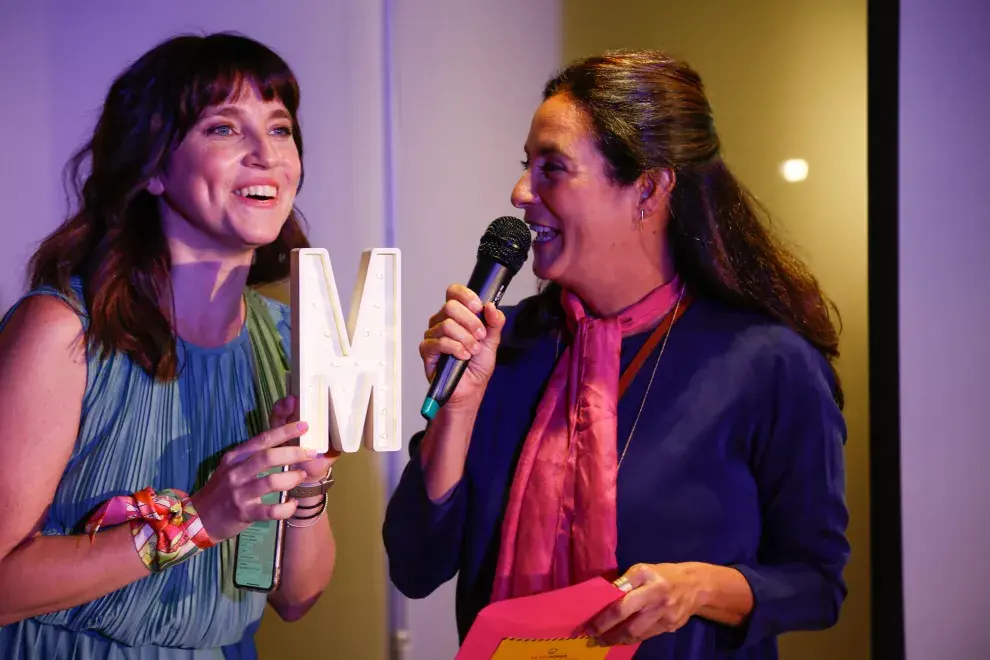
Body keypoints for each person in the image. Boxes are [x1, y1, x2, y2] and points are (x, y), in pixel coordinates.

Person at [383, 49, 850, 659]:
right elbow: (416, 567)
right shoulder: (507, 345)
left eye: (553, 168)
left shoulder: (766, 361)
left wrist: (700, 587)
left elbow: (816, 584)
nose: (521, 192)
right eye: (528, 166)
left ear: (649, 189)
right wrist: (458, 410)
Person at [0, 33, 337, 659]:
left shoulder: (289, 341)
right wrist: (198, 519)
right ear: (153, 167)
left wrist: (305, 490)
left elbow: (295, 597)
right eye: (223, 129)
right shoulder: (62, 333)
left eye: (281, 128)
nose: (267, 154)